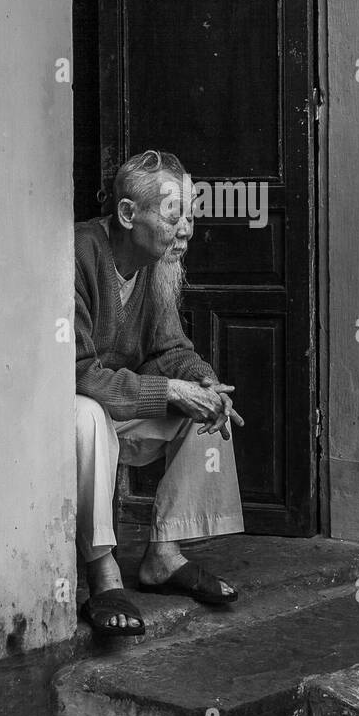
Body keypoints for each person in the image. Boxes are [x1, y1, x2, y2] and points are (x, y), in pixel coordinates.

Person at [74, 149, 245, 636]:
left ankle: (164, 555)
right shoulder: (80, 254)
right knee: (85, 414)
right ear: (128, 215)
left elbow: (171, 348)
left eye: (190, 214)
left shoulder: (155, 264)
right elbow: (78, 374)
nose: (186, 228)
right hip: (70, 416)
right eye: (174, 215)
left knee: (204, 408)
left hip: (122, 410)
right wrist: (168, 389)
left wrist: (205, 384)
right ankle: (102, 574)